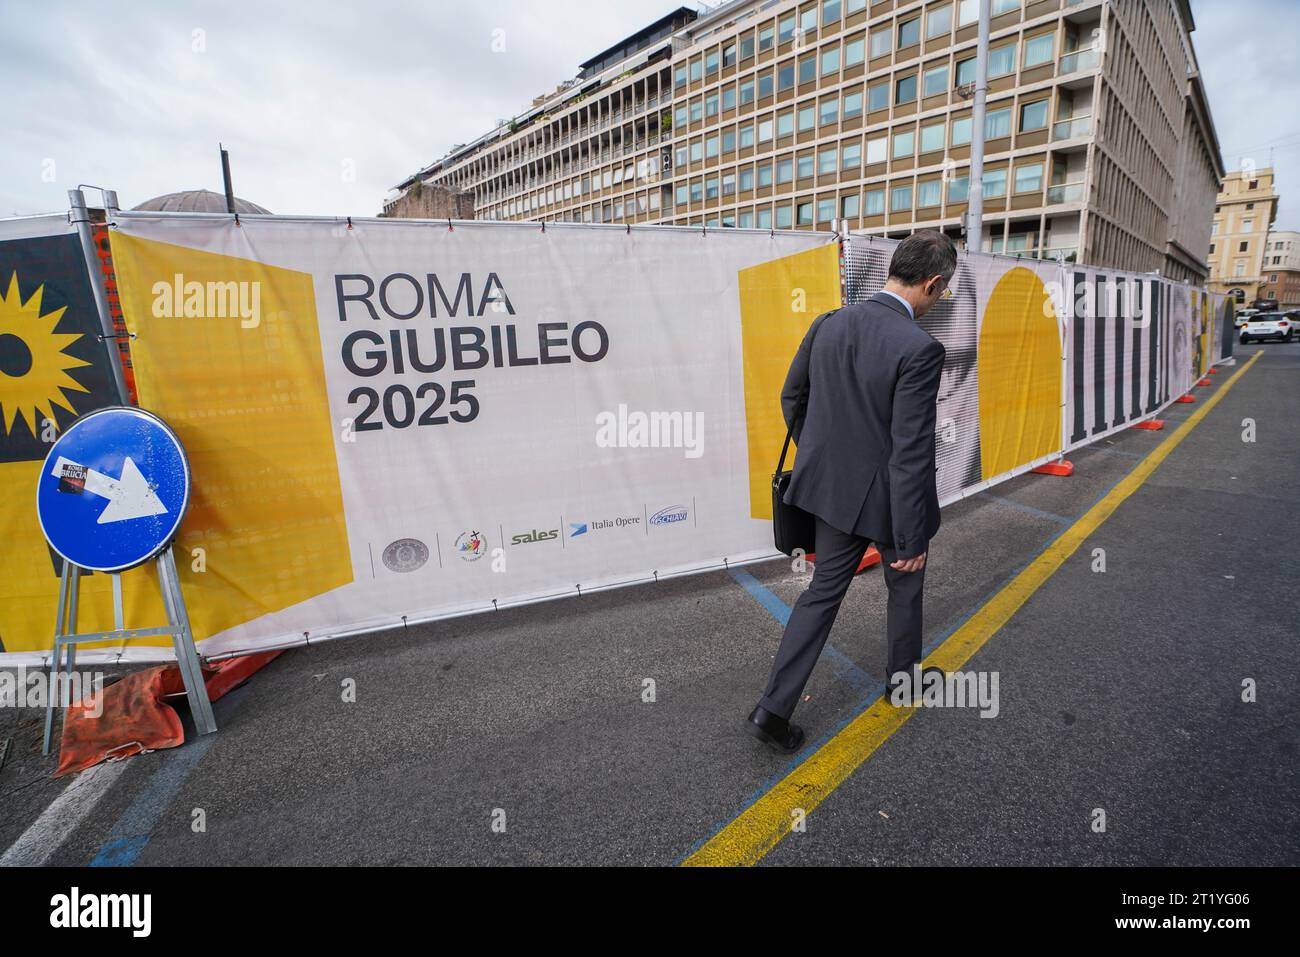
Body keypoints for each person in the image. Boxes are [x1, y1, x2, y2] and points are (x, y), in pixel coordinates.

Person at [746, 230, 955, 753]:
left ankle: (771, 710)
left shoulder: (829, 323)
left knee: (820, 596)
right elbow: (911, 452)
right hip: (886, 499)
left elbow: (793, 396)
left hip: (831, 493)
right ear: (931, 283)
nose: (940, 300)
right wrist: (909, 539)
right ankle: (903, 685)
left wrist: (820, 452)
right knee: (905, 584)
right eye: (943, 290)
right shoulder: (920, 348)